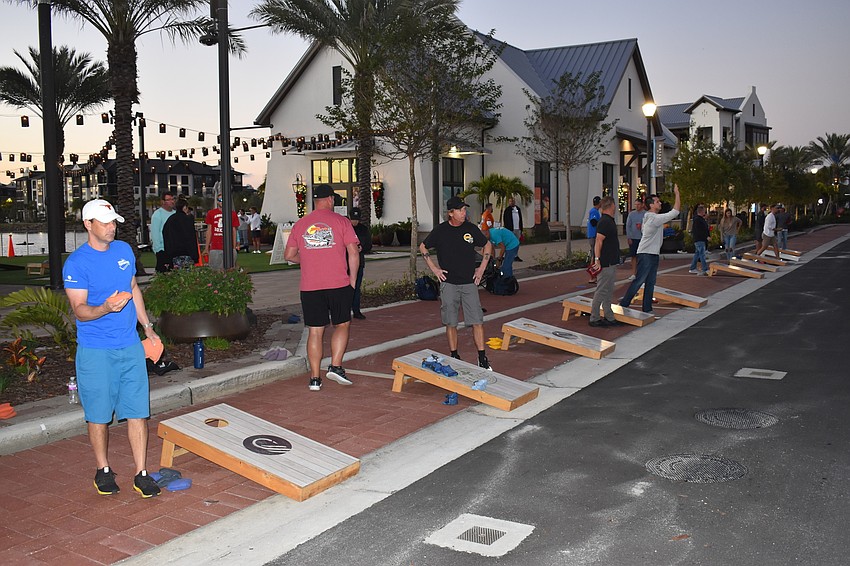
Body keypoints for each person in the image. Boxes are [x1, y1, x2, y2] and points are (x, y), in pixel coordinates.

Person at [62, 199, 162, 498]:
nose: (111, 227)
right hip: (95, 350)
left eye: (113, 222)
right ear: (87, 225)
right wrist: (105, 307)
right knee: (98, 415)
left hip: (129, 345)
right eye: (104, 223)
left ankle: (141, 472)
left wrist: (147, 327)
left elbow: (132, 288)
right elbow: (79, 310)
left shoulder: (123, 251)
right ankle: (103, 469)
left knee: (138, 412)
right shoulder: (77, 263)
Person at [285, 184, 360, 391]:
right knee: (342, 324)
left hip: (310, 287)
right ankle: (335, 366)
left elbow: (289, 255)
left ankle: (315, 379)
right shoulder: (342, 222)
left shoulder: (301, 224)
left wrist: (309, 259)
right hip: (338, 284)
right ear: (329, 200)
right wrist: (352, 281)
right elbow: (353, 253)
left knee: (315, 331)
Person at [420, 196, 494, 370]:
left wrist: (482, 268)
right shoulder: (441, 231)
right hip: (449, 284)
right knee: (451, 322)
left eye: (464, 210)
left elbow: (488, 245)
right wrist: (435, 269)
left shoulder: (470, 229)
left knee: (477, 321)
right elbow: (423, 246)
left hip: (469, 283)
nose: (464, 213)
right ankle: (454, 355)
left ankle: (482, 358)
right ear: (451, 213)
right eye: (460, 210)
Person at [619, 185, 681, 314]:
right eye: (657, 202)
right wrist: (677, 193)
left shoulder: (650, 217)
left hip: (652, 253)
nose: (660, 203)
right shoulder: (653, 218)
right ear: (651, 205)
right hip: (646, 254)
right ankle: (624, 303)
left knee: (650, 282)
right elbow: (675, 212)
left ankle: (647, 308)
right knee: (640, 280)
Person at [589, 196, 623, 327]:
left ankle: (608, 315)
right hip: (606, 261)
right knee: (602, 289)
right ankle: (594, 317)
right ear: (611, 206)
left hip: (611, 261)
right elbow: (598, 241)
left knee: (608, 290)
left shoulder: (609, 221)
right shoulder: (605, 222)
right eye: (614, 205)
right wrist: (597, 260)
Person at [204, 194, 240, 270]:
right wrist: (206, 247)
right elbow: (209, 230)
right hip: (215, 247)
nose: (222, 202)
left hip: (228, 247)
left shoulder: (232, 214)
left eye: (223, 200)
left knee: (230, 270)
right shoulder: (211, 213)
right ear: (217, 202)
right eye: (220, 200)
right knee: (215, 270)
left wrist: (234, 247)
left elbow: (234, 231)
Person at [163, 198, 199, 269]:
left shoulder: (170, 219)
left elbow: (166, 236)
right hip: (187, 253)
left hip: (174, 254)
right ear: (184, 207)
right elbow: (191, 238)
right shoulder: (187, 220)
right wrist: (195, 256)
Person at [349, 208, 372, 319]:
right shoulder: (346, 228)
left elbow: (369, 245)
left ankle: (356, 310)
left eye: (357, 220)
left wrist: (362, 248)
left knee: (356, 287)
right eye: (353, 219)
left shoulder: (363, 229)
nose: (355, 222)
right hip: (345, 262)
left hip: (359, 263)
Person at [150, 192, 175, 272]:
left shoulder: (175, 213)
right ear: (163, 202)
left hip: (174, 250)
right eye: (168, 200)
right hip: (162, 250)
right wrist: (158, 250)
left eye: (173, 199)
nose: (172, 201)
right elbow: (155, 233)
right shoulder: (157, 215)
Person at [625, 197, 646, 279]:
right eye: (636, 205)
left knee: (642, 256)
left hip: (642, 238)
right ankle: (633, 273)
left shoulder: (645, 214)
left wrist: (642, 226)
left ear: (642, 205)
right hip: (633, 238)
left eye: (638, 204)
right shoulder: (631, 214)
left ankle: (642, 273)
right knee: (633, 256)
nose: (637, 206)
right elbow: (628, 226)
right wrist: (629, 237)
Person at [688, 205, 709, 275]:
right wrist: (706, 236)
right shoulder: (698, 220)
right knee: (702, 254)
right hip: (700, 239)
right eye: (704, 211)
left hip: (699, 239)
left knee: (697, 254)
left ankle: (692, 268)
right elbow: (700, 230)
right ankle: (704, 269)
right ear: (702, 211)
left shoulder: (698, 219)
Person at [502, 197, 524, 261]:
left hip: (518, 229)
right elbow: (505, 220)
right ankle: (507, 255)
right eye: (510, 201)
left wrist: (521, 229)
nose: (512, 202)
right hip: (510, 229)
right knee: (509, 243)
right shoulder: (507, 210)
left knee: (516, 243)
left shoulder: (518, 209)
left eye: (513, 201)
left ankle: (515, 255)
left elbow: (520, 219)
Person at [586, 196, 602, 283]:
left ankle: (594, 275)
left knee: (594, 254)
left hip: (592, 235)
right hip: (593, 235)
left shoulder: (594, 211)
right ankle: (592, 276)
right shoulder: (594, 211)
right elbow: (593, 222)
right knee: (594, 255)